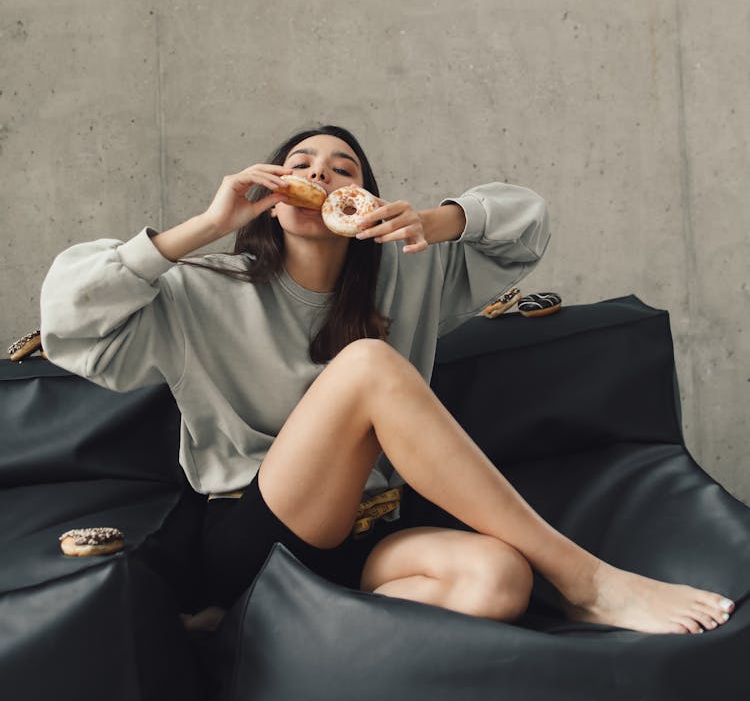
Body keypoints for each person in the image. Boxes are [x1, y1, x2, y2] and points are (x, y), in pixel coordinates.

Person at [40, 125, 735, 636]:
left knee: (500, 581)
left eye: (344, 169)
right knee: (370, 365)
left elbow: (528, 222)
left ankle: (264, 626)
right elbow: (69, 317)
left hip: (379, 534)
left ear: (364, 198)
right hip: (254, 529)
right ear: (271, 195)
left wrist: (436, 222)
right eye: (301, 163)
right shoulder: (202, 290)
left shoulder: (412, 272)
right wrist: (204, 226)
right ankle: (587, 579)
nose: (322, 174)